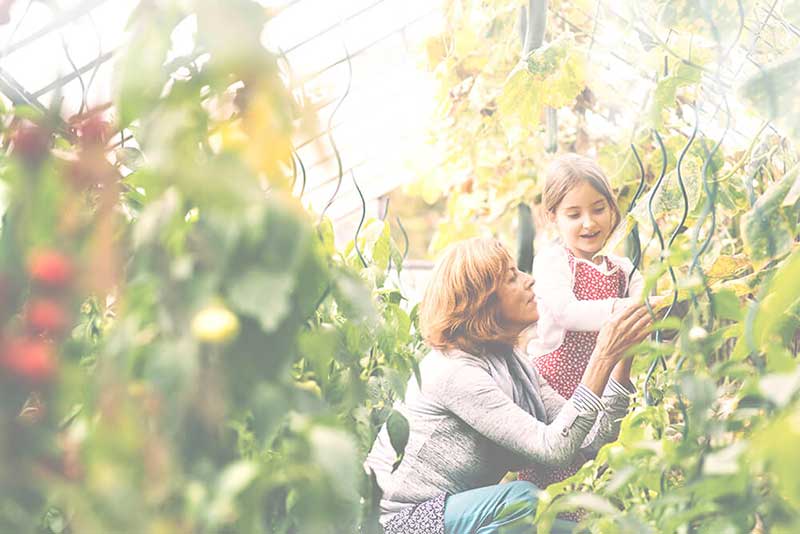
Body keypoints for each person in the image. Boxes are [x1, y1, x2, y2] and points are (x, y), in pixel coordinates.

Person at [364, 238, 652, 533]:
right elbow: (554, 449)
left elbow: (591, 441)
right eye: (512, 277)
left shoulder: (512, 362)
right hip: (396, 524)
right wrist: (602, 356)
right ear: (482, 301)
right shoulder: (455, 371)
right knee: (523, 501)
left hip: (451, 516)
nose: (530, 281)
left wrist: (622, 356)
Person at [520, 154, 653, 493]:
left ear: (612, 209)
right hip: (552, 385)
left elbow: (648, 303)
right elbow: (568, 312)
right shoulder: (552, 261)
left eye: (598, 209)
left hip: (602, 381)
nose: (588, 223)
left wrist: (651, 306)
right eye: (573, 214)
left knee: (594, 474)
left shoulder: (623, 268)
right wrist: (628, 308)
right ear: (553, 218)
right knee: (553, 475)